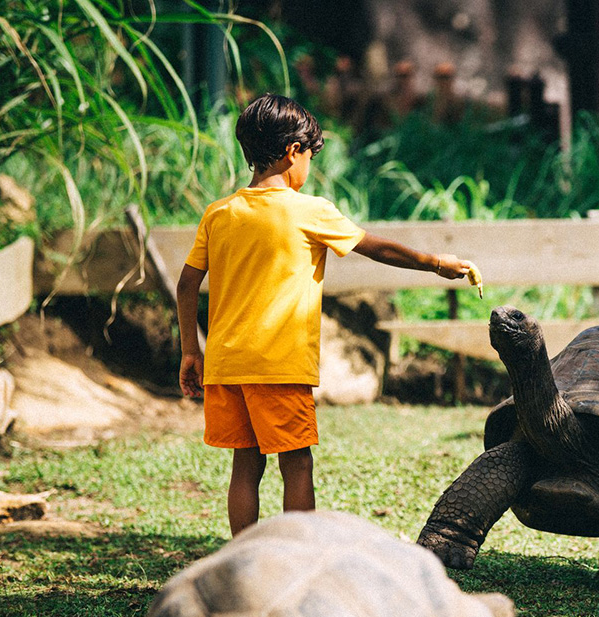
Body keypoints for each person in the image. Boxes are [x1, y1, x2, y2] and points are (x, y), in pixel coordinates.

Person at [176, 93, 478, 535]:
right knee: (296, 463)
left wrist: (190, 351)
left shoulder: (219, 213)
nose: (308, 168)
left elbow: (187, 285)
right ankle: (301, 553)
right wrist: (434, 262)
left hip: (226, 364)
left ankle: (242, 557)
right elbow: (377, 248)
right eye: (309, 157)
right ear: (292, 151)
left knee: (246, 463)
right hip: (278, 366)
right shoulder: (309, 211)